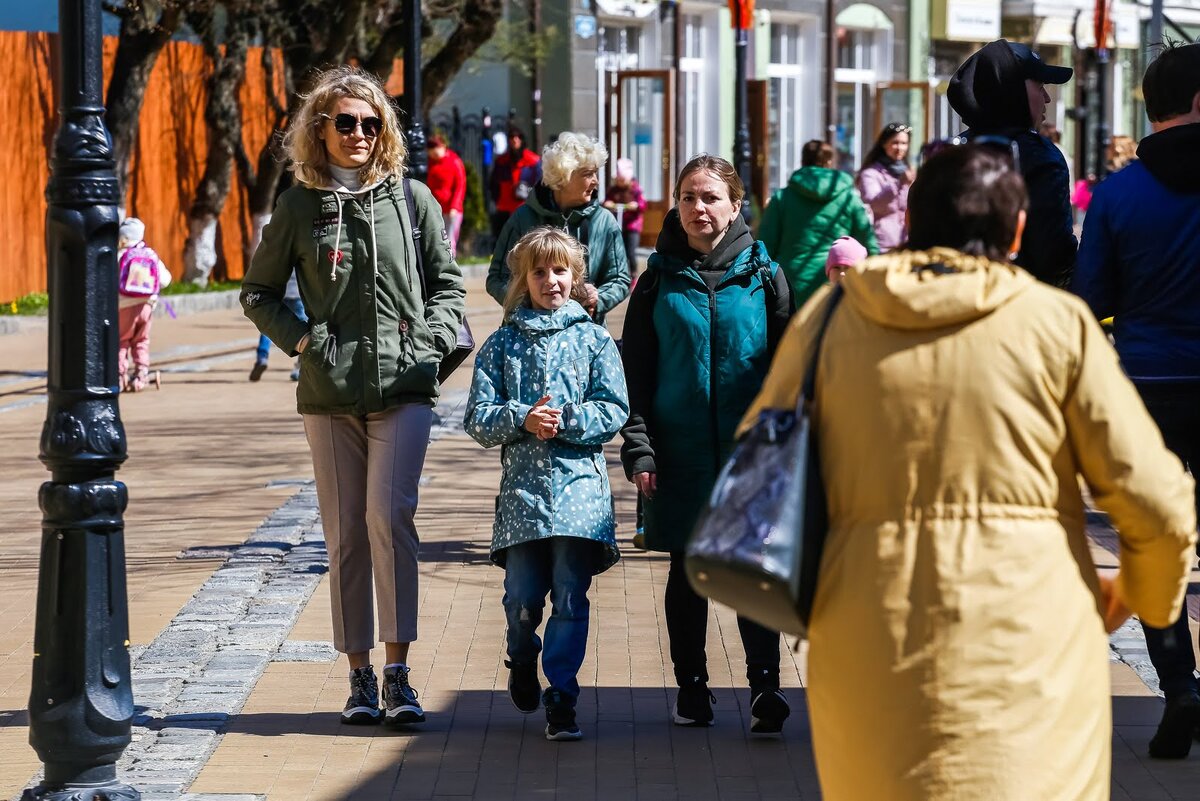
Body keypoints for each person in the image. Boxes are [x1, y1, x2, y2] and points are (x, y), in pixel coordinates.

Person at [740, 142, 1197, 798]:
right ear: (1016, 231)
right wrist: (1137, 597)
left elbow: (762, 458)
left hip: (864, 633)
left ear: (913, 218)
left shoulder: (831, 317)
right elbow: (1157, 502)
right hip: (1032, 643)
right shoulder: (1056, 326)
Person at [240, 66, 465, 728]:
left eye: (371, 123)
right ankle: (358, 675)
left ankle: (398, 674)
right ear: (322, 130)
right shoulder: (298, 207)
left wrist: (427, 341)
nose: (360, 133)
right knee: (344, 534)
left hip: (405, 386)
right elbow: (257, 292)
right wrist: (302, 340)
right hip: (329, 392)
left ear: (384, 130)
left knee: (387, 517)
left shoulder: (411, 199)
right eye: (346, 123)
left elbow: (448, 284)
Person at [619, 154, 794, 733]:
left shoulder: (766, 275)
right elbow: (636, 372)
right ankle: (692, 687)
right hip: (679, 452)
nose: (698, 207)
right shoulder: (657, 281)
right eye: (689, 196)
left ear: (736, 205)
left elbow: (789, 368)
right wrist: (640, 448)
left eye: (711, 197)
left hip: (751, 453)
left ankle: (765, 688)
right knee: (688, 571)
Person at [1072, 41, 1200, 759]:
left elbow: (1091, 302)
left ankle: (1180, 682)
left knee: (1154, 544)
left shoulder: (1118, 192)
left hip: (1149, 389)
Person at [465, 227, 629, 742]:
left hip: (580, 493)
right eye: (539, 272)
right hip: (522, 496)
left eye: (560, 271)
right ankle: (521, 652)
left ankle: (562, 692)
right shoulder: (503, 343)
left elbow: (615, 407)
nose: (550, 281)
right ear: (523, 280)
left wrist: (571, 419)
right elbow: (478, 417)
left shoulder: (594, 338)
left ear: (575, 277)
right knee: (522, 598)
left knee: (570, 595)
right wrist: (522, 418)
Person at [948, 39, 1077, 287]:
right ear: (1012, 89)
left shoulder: (951, 150)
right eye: (1040, 86)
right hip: (1018, 303)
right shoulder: (1040, 155)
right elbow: (1054, 256)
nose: (1047, 98)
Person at [487, 132, 630, 326]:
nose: (596, 181)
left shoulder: (604, 221)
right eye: (588, 173)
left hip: (585, 336)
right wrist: (529, 303)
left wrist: (598, 298)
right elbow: (497, 277)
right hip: (526, 336)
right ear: (564, 176)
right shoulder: (523, 218)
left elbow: (620, 278)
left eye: (596, 173)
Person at [759, 140, 877, 309]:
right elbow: (867, 239)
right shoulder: (848, 198)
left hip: (790, 281)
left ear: (803, 161)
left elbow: (766, 244)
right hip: (837, 276)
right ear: (830, 162)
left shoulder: (782, 198)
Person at [116, 216, 172, 392]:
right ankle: (141, 374)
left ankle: (119, 376)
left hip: (123, 306)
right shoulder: (150, 254)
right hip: (147, 305)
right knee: (141, 340)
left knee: (121, 341)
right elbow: (165, 280)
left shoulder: (118, 255)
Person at [857, 122, 915, 252]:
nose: (900, 148)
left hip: (907, 243)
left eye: (904, 143)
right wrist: (898, 184)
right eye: (895, 142)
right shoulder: (870, 173)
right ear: (884, 144)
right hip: (882, 244)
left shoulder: (909, 171)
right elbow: (873, 203)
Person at [249, 271, 305, 382]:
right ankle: (300, 366)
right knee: (303, 330)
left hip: (278, 293)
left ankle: (262, 358)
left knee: (268, 326)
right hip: (298, 293)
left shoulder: (277, 253)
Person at [488, 126, 540, 238]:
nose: (515, 140)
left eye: (518, 137)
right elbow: (493, 184)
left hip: (526, 207)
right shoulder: (501, 161)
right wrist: (497, 201)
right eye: (512, 137)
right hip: (504, 207)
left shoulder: (533, 161)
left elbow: (540, 185)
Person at [603, 157, 647, 281]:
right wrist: (608, 203)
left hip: (632, 225)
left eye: (623, 180)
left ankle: (633, 275)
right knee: (616, 251)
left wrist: (636, 206)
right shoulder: (613, 190)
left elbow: (643, 204)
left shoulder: (635, 189)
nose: (620, 182)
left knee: (631, 252)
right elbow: (606, 201)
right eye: (619, 179)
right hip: (617, 224)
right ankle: (617, 274)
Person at [426, 133, 467, 258]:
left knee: (449, 240)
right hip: (436, 208)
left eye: (437, 148)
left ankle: (450, 264)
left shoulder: (454, 161)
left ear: (443, 146)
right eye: (431, 150)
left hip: (451, 210)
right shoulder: (430, 164)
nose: (434, 152)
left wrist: (454, 206)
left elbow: (460, 185)